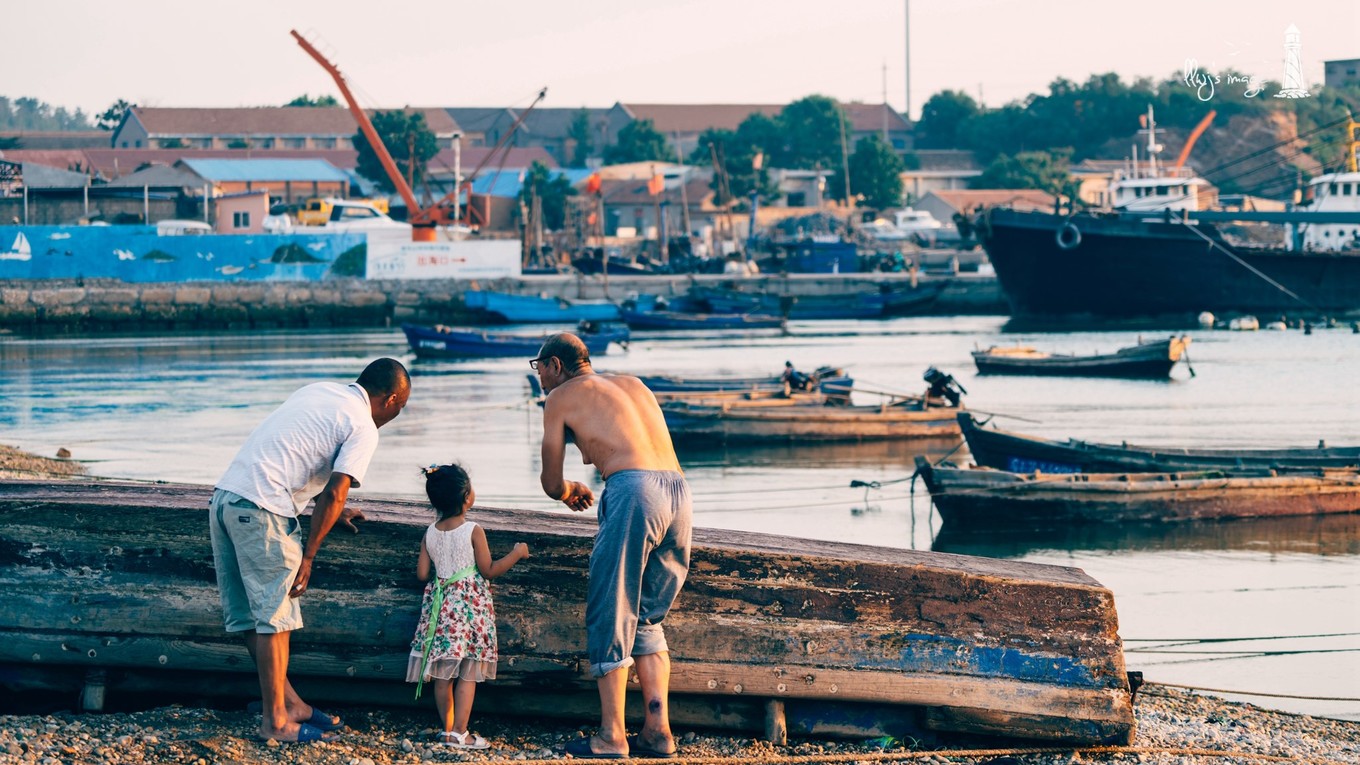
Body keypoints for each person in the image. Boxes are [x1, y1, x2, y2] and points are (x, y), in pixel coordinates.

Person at [209, 358, 411, 743]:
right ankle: (275, 722)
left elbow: (294, 455)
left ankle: (290, 706)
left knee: (252, 617)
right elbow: (336, 490)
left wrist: (327, 508)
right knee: (276, 619)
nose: (396, 416)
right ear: (391, 399)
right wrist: (309, 555)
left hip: (226, 499)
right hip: (263, 509)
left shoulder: (319, 391)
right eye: (400, 408)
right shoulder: (363, 426)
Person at [532, 333, 691, 760]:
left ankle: (612, 736)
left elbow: (550, 482)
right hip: (678, 492)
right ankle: (658, 733)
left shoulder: (559, 397)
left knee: (611, 609)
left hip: (634, 490)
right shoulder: (634, 384)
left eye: (539, 366)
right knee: (647, 617)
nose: (539, 377)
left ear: (556, 365)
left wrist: (568, 490)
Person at [407, 463, 529, 749]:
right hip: (469, 611)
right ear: (467, 497)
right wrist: (517, 553)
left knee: (442, 674)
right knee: (467, 673)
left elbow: (422, 574)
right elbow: (488, 570)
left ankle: (447, 730)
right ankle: (461, 733)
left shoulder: (429, 532)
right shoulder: (473, 530)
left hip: (441, 610)